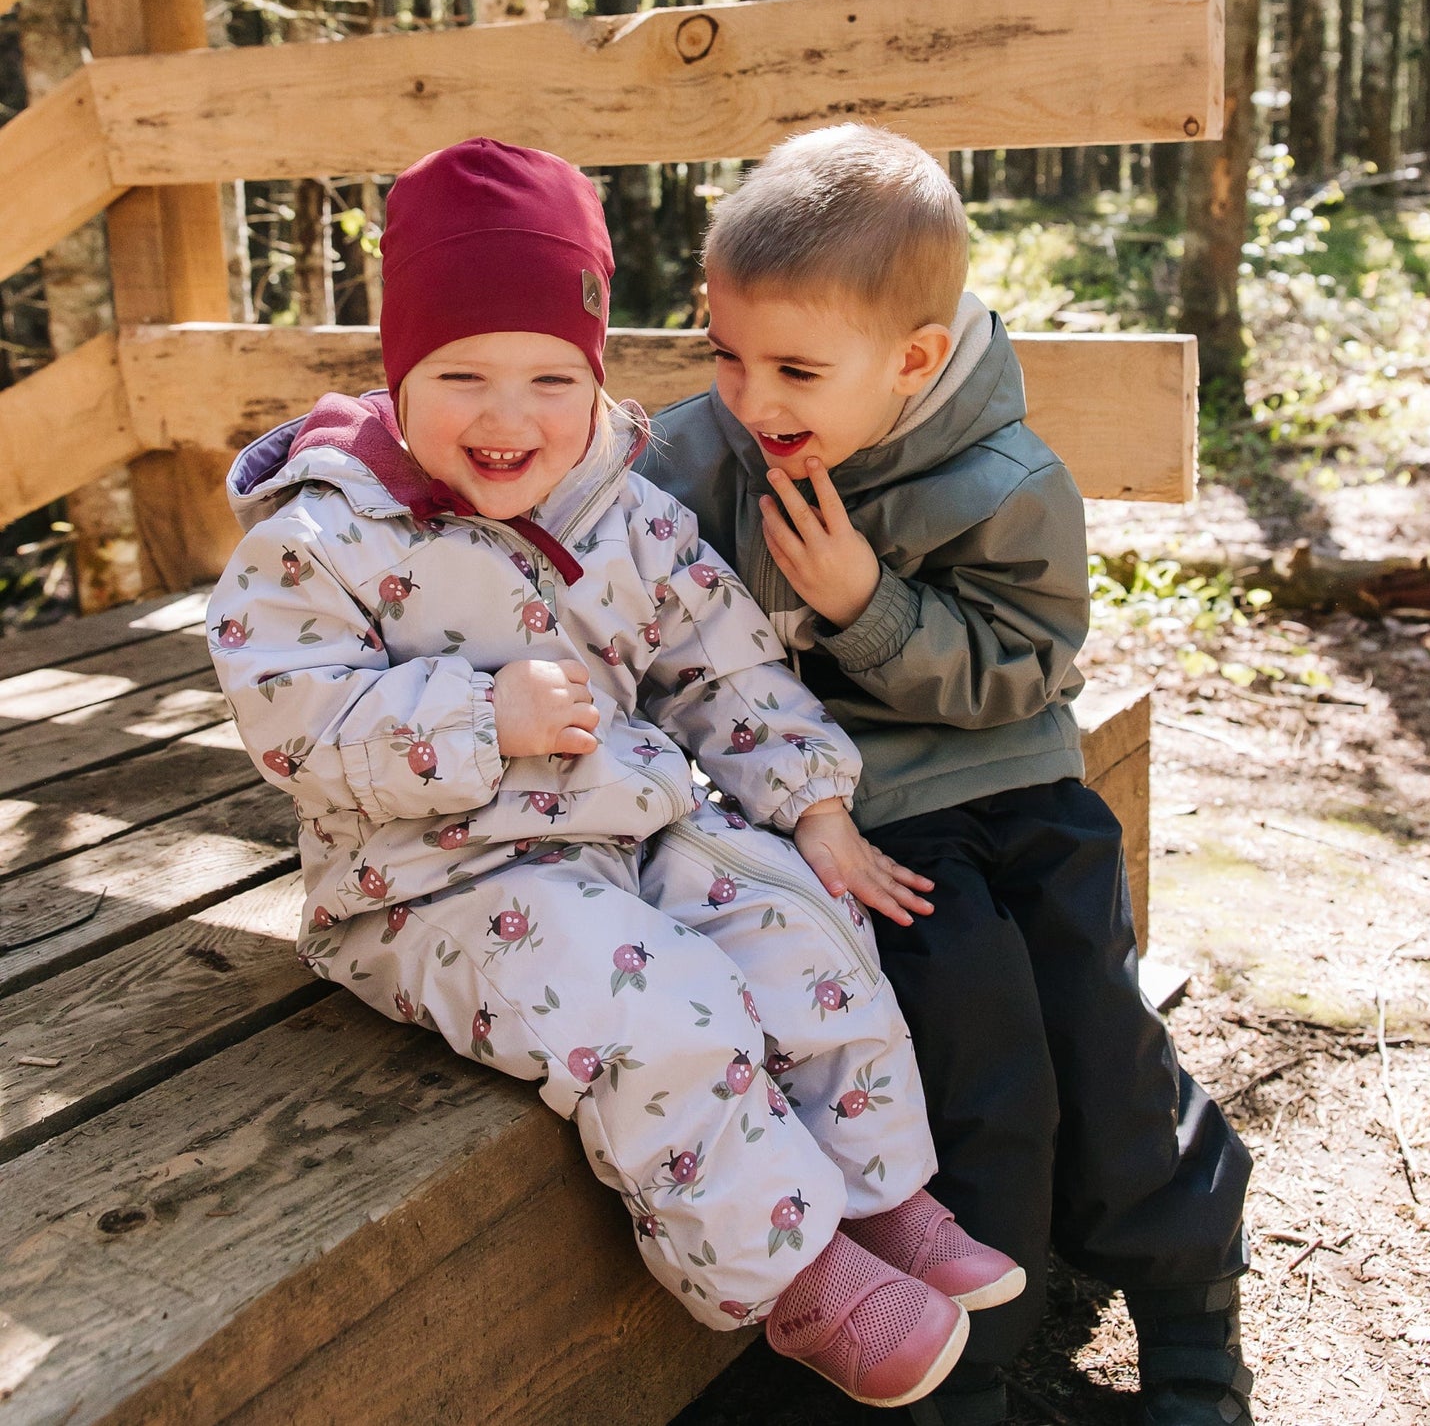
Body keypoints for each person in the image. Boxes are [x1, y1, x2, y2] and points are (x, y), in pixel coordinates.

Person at [205, 136, 1029, 1411]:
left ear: (592, 376)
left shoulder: (621, 507)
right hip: (432, 883)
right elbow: (292, 719)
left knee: (792, 925)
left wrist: (807, 803)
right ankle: (792, 1276)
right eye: (460, 373)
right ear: (395, 372)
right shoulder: (327, 534)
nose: (509, 416)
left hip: (623, 833)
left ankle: (878, 1193)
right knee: (648, 1011)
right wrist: (481, 713)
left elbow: (720, 658)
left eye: (550, 376)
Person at [639, 123, 1254, 1426]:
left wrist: (865, 606)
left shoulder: (1006, 480)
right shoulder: (710, 457)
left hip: (1017, 786)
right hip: (863, 824)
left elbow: (1025, 669)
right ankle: (964, 1370)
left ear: (914, 358)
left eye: (795, 367)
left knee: (1105, 1043)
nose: (752, 398)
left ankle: (1193, 1325)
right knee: (975, 1071)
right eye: (725, 352)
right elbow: (607, 558)